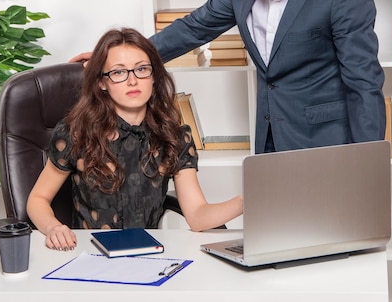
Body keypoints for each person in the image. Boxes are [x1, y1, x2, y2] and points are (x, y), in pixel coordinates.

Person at [70, 0, 385, 154]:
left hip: (327, 140)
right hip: (269, 134)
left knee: (337, 238)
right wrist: (124, 57)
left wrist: (369, 158)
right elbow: (194, 28)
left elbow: (363, 81)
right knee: (280, 237)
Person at [28, 27, 243, 251]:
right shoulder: (77, 132)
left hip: (149, 255)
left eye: (141, 69)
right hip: (90, 254)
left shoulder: (174, 136)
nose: (132, 81)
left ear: (154, 77)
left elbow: (198, 216)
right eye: (119, 72)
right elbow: (38, 199)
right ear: (102, 82)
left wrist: (245, 200)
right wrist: (53, 227)